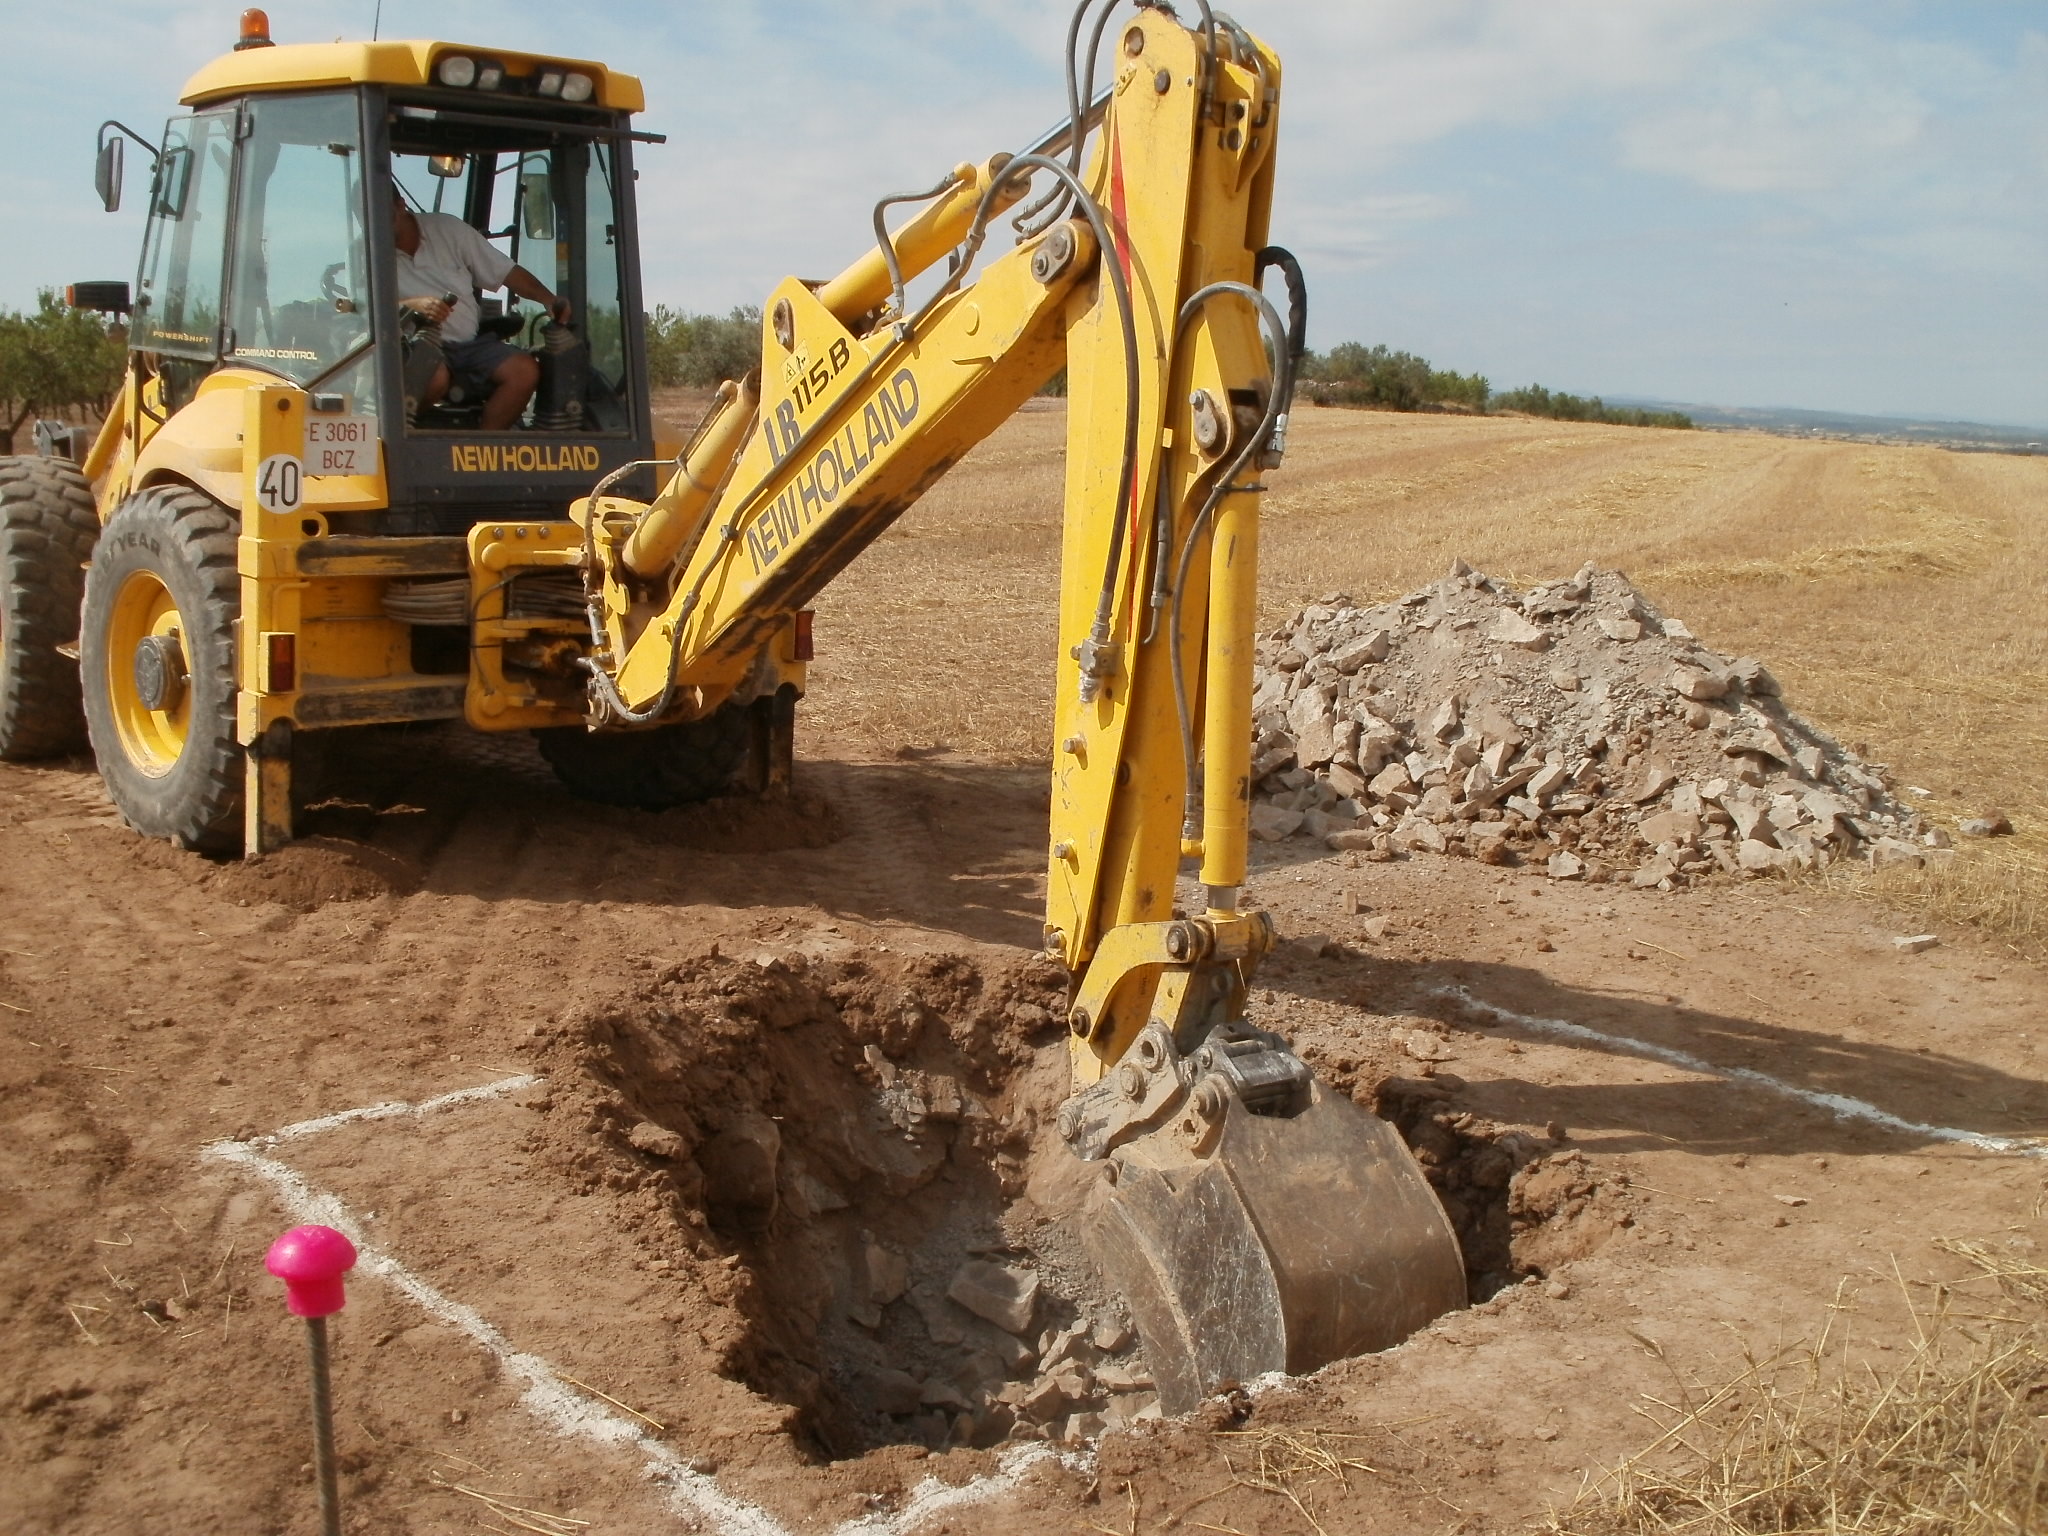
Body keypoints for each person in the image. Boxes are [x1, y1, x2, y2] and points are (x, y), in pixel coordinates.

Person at [392, 186, 571, 429]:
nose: (374, 225)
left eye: (384, 214)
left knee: (523, 370)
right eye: (365, 217)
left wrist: (547, 299)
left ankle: (483, 453)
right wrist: (412, 305)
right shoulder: (366, 252)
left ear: (400, 205)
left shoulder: (447, 230)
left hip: (468, 345)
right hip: (408, 349)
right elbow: (364, 313)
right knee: (434, 376)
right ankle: (400, 436)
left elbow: (504, 270)